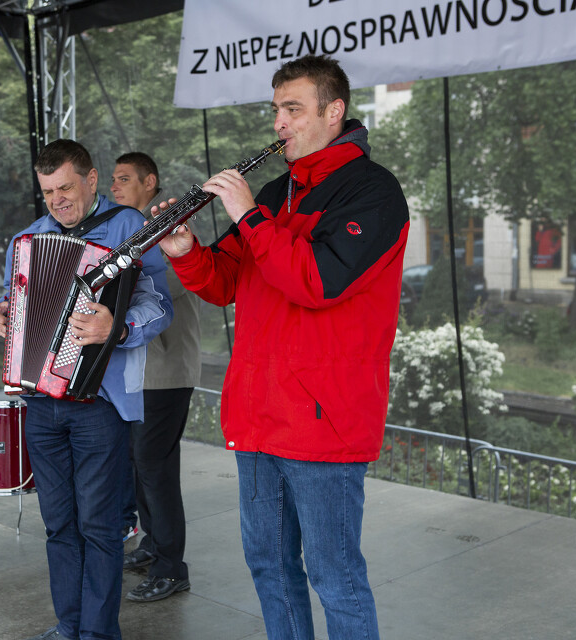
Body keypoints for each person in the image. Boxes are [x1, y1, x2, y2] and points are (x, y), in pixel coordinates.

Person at [154, 54, 409, 640]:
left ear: (334, 110)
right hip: (258, 415)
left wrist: (248, 215)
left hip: (323, 421)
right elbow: (225, 282)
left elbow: (317, 281)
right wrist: (185, 250)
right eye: (276, 110)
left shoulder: (374, 192)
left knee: (335, 577)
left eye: (293, 109)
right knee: (269, 568)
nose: (279, 123)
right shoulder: (276, 191)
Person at [0, 139, 172, 640]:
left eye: (66, 188)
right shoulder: (27, 239)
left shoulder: (130, 226)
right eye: (48, 192)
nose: (57, 201)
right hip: (40, 400)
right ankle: (69, 625)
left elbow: (160, 306)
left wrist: (118, 328)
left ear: (91, 180)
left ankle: (98, 632)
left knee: (98, 524)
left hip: (100, 401)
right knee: (58, 524)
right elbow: (12, 302)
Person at [111, 152, 201, 603]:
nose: (114, 187)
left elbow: (170, 287)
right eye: (112, 179)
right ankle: (152, 543)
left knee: (154, 466)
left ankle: (171, 567)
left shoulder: (168, 227)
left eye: (124, 178)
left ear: (150, 183)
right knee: (139, 463)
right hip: (138, 371)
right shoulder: (127, 230)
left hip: (167, 370)